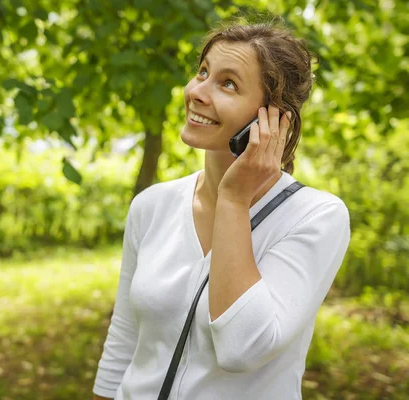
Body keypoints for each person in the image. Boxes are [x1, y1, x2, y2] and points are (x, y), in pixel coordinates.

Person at [91, 18, 351, 400]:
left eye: (227, 83)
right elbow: (125, 337)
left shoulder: (317, 217)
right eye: (202, 72)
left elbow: (242, 348)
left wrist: (233, 200)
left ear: (273, 118)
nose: (196, 91)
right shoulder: (152, 206)